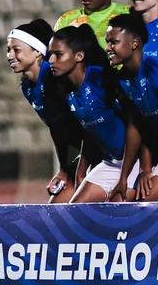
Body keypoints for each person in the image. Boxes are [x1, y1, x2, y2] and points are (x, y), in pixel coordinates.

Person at [48, 24, 140, 203]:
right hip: (110, 163)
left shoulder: (101, 80)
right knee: (75, 211)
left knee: (116, 209)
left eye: (58, 55)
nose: (51, 60)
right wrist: (81, 170)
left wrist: (125, 177)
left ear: (79, 56)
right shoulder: (68, 92)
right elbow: (92, 132)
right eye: (50, 54)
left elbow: (135, 124)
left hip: (133, 162)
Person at [6, 19, 86, 203]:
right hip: (75, 153)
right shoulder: (28, 86)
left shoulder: (53, 77)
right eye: (8, 50)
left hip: (93, 151)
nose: (10, 55)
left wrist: (73, 168)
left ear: (36, 52)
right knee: (57, 211)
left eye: (16, 50)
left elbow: (76, 126)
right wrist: (65, 168)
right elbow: (57, 128)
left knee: (78, 210)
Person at [105, 13, 158, 202]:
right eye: (107, 42)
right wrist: (128, 176)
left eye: (113, 42)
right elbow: (137, 126)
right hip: (155, 151)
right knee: (117, 199)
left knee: (149, 197)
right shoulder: (123, 79)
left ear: (134, 43)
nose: (108, 48)